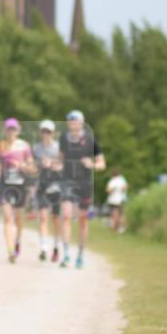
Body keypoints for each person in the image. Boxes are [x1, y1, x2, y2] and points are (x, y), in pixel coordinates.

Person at [58, 109, 106, 269]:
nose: (72, 122)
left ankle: (80, 255)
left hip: (85, 183)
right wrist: (54, 165)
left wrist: (91, 164)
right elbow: (60, 158)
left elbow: (101, 164)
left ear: (81, 122)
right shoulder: (64, 138)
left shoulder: (90, 139)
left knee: (83, 221)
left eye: (75, 119)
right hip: (67, 181)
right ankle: (66, 255)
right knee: (65, 216)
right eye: (69, 120)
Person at [0, 118, 32, 263]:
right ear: (5, 130)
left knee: (18, 219)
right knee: (7, 217)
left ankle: (17, 241)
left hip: (20, 185)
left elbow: (31, 167)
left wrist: (22, 165)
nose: (11, 132)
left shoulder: (24, 146)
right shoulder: (0, 146)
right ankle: (10, 250)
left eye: (14, 129)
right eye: (9, 129)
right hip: (6, 185)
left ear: (19, 130)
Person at [33, 119, 62, 263]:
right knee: (43, 217)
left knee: (56, 219)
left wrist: (52, 164)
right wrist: (39, 164)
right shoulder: (36, 148)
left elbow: (64, 165)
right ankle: (44, 248)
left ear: (53, 133)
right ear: (40, 132)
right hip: (42, 185)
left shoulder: (58, 147)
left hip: (56, 186)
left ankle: (56, 247)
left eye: (48, 131)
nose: (46, 134)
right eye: (43, 131)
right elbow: (33, 167)